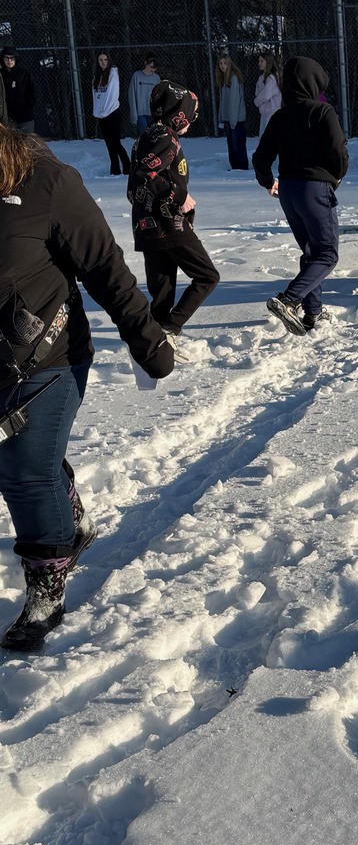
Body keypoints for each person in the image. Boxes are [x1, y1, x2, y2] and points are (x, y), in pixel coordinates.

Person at [0, 123, 174, 652]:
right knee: (32, 464)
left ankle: (46, 589)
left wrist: (148, 342)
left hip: (50, 355)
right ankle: (70, 520)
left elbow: (104, 265)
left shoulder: (46, 181)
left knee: (25, 467)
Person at [252, 57, 347, 336]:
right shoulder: (323, 112)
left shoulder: (280, 117)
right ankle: (289, 300)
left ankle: (313, 311)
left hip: (289, 190)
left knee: (311, 252)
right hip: (314, 189)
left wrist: (268, 181)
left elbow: (260, 157)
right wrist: (336, 176)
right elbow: (338, 151)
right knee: (327, 254)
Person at [127, 80, 220, 348]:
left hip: (147, 227)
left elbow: (133, 186)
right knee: (207, 276)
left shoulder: (144, 137)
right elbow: (146, 173)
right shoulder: (165, 138)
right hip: (168, 224)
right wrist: (179, 197)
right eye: (189, 113)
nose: (192, 119)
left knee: (163, 292)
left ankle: (154, 345)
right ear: (176, 113)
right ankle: (171, 327)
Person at [92, 51, 131, 175]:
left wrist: (105, 109)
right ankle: (115, 168)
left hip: (112, 112)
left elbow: (111, 94)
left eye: (105, 60)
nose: (103, 62)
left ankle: (127, 165)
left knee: (115, 142)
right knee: (109, 143)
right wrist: (98, 111)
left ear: (109, 61)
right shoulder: (97, 77)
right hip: (102, 115)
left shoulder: (113, 73)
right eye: (100, 60)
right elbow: (96, 96)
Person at [216, 52, 248, 170]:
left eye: (225, 63)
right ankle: (235, 167)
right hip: (229, 119)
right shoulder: (224, 80)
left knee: (237, 145)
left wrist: (233, 121)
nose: (223, 66)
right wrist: (222, 119)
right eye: (220, 64)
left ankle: (241, 167)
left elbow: (234, 101)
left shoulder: (233, 78)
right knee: (231, 145)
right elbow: (223, 102)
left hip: (236, 119)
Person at [1, 46, 36, 132]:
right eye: (6, 58)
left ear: (16, 59)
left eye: (12, 58)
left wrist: (28, 106)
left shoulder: (24, 73)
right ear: (2, 59)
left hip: (25, 117)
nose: (9, 61)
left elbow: (33, 91)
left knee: (27, 142)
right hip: (7, 118)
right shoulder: (1, 75)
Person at [127, 52, 161, 135]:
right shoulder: (137, 76)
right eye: (151, 67)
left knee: (153, 136)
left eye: (155, 68)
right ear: (145, 63)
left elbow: (159, 96)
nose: (152, 69)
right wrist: (134, 114)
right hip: (140, 113)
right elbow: (132, 95)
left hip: (152, 113)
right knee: (145, 135)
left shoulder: (156, 78)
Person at [253, 52, 282, 137]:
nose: (259, 63)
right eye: (259, 61)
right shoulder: (261, 78)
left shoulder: (272, 78)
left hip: (272, 114)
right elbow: (257, 93)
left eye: (262, 61)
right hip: (264, 114)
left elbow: (265, 95)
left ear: (268, 62)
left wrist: (256, 101)